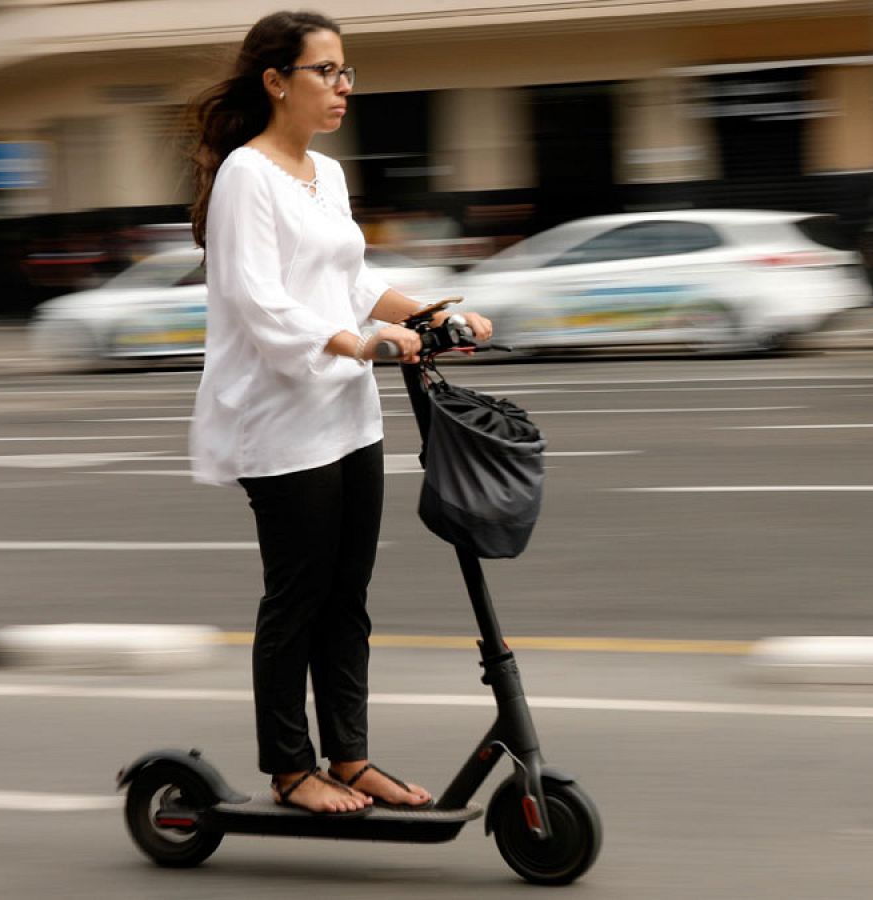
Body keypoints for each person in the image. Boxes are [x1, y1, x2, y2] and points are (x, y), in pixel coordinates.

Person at [185, 10, 492, 815]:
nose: (343, 86)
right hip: (280, 421)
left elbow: (351, 283)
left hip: (348, 418)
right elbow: (259, 301)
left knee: (347, 595)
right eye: (326, 71)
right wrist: (359, 346)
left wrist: (430, 314)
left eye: (347, 71)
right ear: (276, 81)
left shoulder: (326, 173)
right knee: (299, 596)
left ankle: (348, 757)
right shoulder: (246, 177)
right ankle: (291, 769)